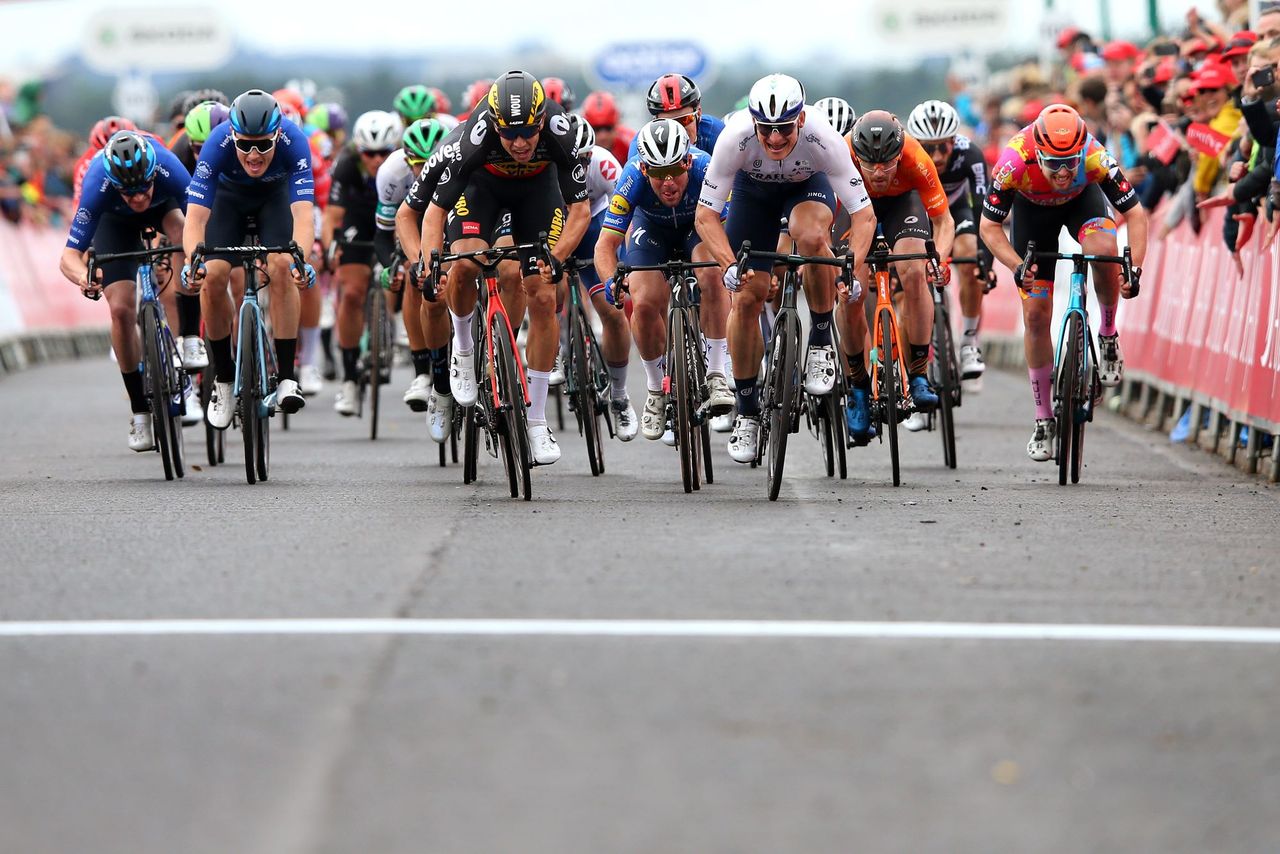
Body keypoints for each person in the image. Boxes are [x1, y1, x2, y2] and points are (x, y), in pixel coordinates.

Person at [694, 73, 876, 463]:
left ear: (801, 121)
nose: (775, 139)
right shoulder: (735, 137)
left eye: (783, 130)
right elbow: (706, 217)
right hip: (752, 195)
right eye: (766, 130)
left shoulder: (823, 138)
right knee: (745, 298)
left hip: (805, 188)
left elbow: (864, 217)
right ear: (753, 122)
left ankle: (822, 342)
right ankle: (747, 413)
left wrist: (850, 268)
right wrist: (729, 265)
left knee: (810, 237)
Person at [419, 70, 590, 466]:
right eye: (508, 135)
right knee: (464, 264)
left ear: (542, 121)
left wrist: (557, 259)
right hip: (483, 191)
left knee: (543, 294)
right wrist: (431, 260)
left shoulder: (560, 134)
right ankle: (462, 351)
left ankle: (535, 421)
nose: (518, 143)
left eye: (528, 133)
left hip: (537, 194)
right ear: (494, 125)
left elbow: (579, 211)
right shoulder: (473, 138)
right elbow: (435, 212)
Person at [979, 103, 1148, 462]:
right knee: (1037, 317)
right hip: (1031, 214)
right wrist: (1015, 265)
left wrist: (1134, 268)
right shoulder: (1013, 161)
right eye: (1053, 163)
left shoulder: (1095, 157)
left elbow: (1135, 213)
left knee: (1103, 250)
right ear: (1037, 153)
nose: (1062, 171)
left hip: (1081, 204)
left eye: (1070, 162)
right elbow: (989, 227)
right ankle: (1043, 421)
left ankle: (1107, 335)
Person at [182, 89, 317, 430]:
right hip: (228, 201)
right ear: (233, 136)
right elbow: (195, 219)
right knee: (212, 276)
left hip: (275, 199)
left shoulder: (295, 141)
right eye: (245, 145)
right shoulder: (216, 144)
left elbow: (303, 215)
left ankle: (287, 377)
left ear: (277, 135)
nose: (254, 154)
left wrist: (301, 257)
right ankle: (224, 381)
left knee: (282, 266)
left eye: (262, 145)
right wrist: (192, 261)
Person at [597, 118, 730, 443]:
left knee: (712, 273)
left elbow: (724, 234)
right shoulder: (630, 178)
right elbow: (605, 245)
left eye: (674, 170)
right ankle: (656, 389)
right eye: (657, 173)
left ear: (688, 160)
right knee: (642, 303)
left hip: (696, 227)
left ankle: (716, 374)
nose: (667, 182)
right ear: (644, 170)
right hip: (651, 231)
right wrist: (612, 280)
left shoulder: (706, 168)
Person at [59, 131, 192, 451]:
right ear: (113, 183)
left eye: (142, 188)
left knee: (183, 232)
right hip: (115, 224)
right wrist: (83, 278)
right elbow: (68, 257)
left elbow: (201, 220)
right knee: (120, 310)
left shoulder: (167, 167)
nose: (137, 198)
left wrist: (194, 263)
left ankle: (189, 337)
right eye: (127, 192)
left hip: (165, 209)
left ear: (152, 175)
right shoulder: (97, 183)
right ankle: (140, 411)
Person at [846, 109, 955, 436]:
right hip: (856, 205)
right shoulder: (843, 155)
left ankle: (919, 373)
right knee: (851, 289)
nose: (878, 173)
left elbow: (943, 221)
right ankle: (857, 387)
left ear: (899, 154)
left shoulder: (915, 157)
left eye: (887, 164)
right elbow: (826, 214)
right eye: (870, 164)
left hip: (902, 204)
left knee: (913, 268)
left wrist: (940, 260)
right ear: (857, 156)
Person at [561, 115, 637, 439]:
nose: (581, 164)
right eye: (573, 159)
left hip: (594, 228)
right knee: (544, 291)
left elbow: (627, 217)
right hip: (556, 225)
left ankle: (619, 394)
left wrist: (626, 264)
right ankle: (552, 357)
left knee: (614, 312)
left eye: (586, 157)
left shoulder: (605, 164)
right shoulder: (545, 166)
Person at [905, 99, 992, 383]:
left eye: (944, 145)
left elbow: (984, 211)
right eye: (929, 148)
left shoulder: (971, 155)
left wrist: (984, 261)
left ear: (955, 140)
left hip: (956, 211)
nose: (938, 155)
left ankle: (968, 341)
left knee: (969, 253)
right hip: (919, 213)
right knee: (911, 273)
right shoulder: (906, 156)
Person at [324, 110, 404, 416]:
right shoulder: (346, 165)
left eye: (384, 152)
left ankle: (393, 325)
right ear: (359, 151)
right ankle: (348, 377)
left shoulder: (401, 164)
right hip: (359, 220)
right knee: (353, 291)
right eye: (369, 153)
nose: (376, 160)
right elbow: (333, 215)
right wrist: (332, 246)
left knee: (405, 270)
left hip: (396, 218)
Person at [626, 74, 724, 160]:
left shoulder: (715, 133)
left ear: (698, 114)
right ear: (655, 122)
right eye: (668, 123)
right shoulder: (641, 145)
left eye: (684, 120)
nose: (678, 129)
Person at [581, 90, 636, 164]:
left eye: (608, 128)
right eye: (596, 129)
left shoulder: (631, 143)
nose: (603, 136)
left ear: (617, 125)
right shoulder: (578, 146)